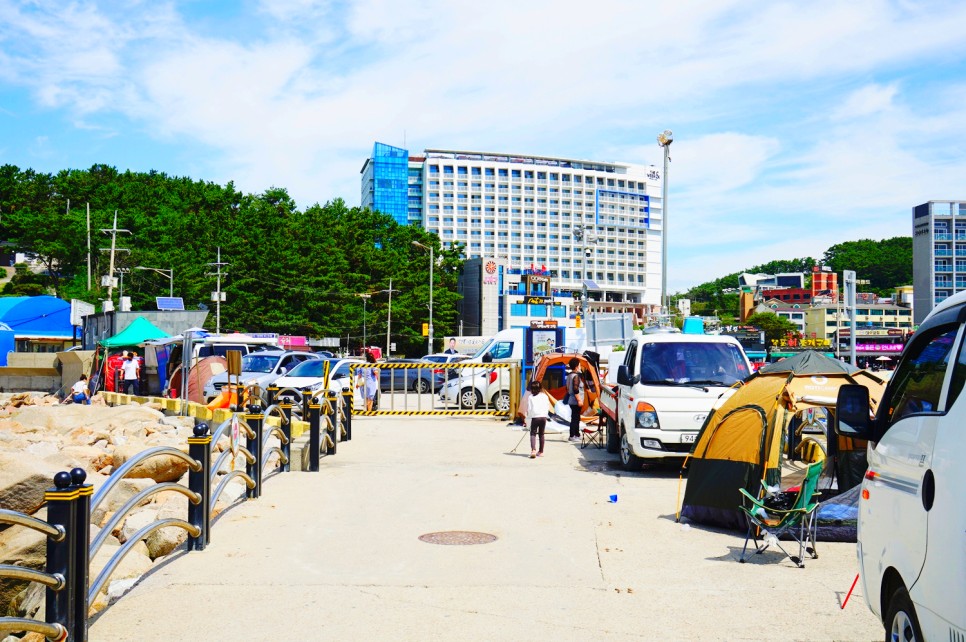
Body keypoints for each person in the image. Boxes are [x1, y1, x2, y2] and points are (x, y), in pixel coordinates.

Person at [525, 379, 552, 458]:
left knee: (533, 433)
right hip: (543, 417)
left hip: (535, 417)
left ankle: (533, 450)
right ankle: (541, 451)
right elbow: (547, 406)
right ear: (540, 388)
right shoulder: (545, 396)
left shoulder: (530, 397)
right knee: (541, 434)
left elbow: (529, 409)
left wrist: (529, 416)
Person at [566, 357, 583, 442]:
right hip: (575, 400)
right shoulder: (576, 376)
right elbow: (576, 389)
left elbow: (568, 388)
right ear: (576, 366)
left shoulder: (569, 375)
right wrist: (579, 400)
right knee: (575, 418)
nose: (580, 366)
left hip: (571, 399)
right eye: (579, 365)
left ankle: (576, 434)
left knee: (575, 417)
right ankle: (573, 435)